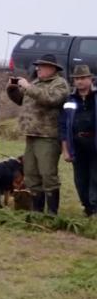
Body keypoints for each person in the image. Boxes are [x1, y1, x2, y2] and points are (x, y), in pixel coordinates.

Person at [8, 53, 70, 214]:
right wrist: (12, 89)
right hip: (31, 134)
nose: (38, 68)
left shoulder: (60, 84)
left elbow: (51, 99)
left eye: (41, 66)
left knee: (48, 175)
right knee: (31, 175)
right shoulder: (36, 82)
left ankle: (52, 213)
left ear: (52, 68)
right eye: (38, 66)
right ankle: (37, 211)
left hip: (48, 136)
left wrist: (28, 87)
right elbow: (21, 99)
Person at [60, 65, 97, 216]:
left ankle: (94, 209)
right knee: (80, 180)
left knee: (95, 178)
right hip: (76, 144)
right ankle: (86, 206)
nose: (80, 81)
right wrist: (65, 148)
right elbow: (63, 125)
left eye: (83, 78)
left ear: (90, 79)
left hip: (94, 143)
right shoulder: (69, 99)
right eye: (77, 79)